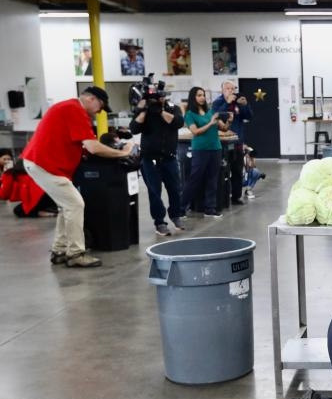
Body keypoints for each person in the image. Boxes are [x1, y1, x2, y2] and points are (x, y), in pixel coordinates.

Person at [21, 86, 136, 268]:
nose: (99, 112)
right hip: (45, 164)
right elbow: (93, 147)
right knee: (75, 204)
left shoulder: (68, 107)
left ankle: (59, 250)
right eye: (100, 106)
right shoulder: (75, 110)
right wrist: (123, 153)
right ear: (91, 99)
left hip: (41, 163)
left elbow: (80, 144)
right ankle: (75, 253)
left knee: (66, 206)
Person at [129, 90, 185, 236]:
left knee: (175, 189)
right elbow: (134, 129)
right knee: (155, 192)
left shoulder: (173, 108)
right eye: (154, 98)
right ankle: (159, 222)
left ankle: (176, 215)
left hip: (169, 158)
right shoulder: (145, 112)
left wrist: (160, 111)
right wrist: (144, 111)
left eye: (160, 97)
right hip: (149, 160)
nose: (158, 100)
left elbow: (178, 123)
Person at [180, 87, 229, 218]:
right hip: (200, 150)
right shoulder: (190, 114)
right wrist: (211, 123)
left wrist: (229, 120)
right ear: (193, 97)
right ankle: (181, 208)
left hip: (215, 148)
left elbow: (223, 128)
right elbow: (195, 131)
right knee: (194, 179)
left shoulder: (210, 111)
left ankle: (210, 208)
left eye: (203, 95)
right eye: (199, 95)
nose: (202, 97)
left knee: (212, 180)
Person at [211, 81, 252, 205]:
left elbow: (249, 117)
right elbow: (216, 117)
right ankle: (222, 196)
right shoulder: (218, 102)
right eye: (228, 88)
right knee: (223, 170)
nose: (231, 91)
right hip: (222, 142)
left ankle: (236, 196)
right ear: (222, 90)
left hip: (237, 141)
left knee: (237, 170)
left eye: (233, 88)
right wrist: (227, 103)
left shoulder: (238, 102)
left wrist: (245, 105)